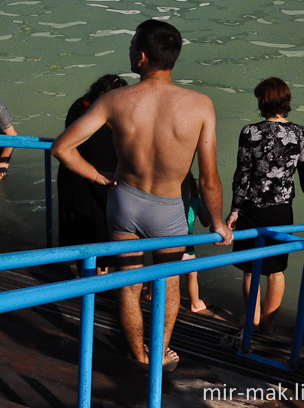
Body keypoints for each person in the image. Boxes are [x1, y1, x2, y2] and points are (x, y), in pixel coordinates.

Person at [51, 20, 233, 372]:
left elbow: (62, 148)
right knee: (168, 284)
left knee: (129, 283)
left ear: (143, 57)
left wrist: (99, 176)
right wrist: (218, 222)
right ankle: (159, 353)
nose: (130, 51)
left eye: (133, 45)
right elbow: (209, 178)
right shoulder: (200, 105)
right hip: (170, 209)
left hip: (125, 201)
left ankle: (137, 354)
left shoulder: (115, 100)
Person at [226, 77, 304, 333]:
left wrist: (235, 209)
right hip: (281, 209)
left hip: (252, 207)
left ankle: (253, 318)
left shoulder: (250, 132)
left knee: (250, 268)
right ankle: (268, 325)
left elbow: (242, 174)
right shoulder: (300, 133)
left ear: (263, 101)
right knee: (276, 270)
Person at [57, 74, 127, 271]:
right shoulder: (97, 117)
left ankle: (88, 276)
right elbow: (104, 152)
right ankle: (97, 280)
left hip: (72, 177)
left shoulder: (80, 106)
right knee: (98, 234)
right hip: (97, 181)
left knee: (79, 234)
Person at [182, 174, 211, 314]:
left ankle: (151, 294)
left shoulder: (171, 201)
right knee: (192, 276)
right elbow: (206, 223)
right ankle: (195, 303)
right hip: (187, 247)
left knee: (161, 269)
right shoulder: (196, 201)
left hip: (167, 244)